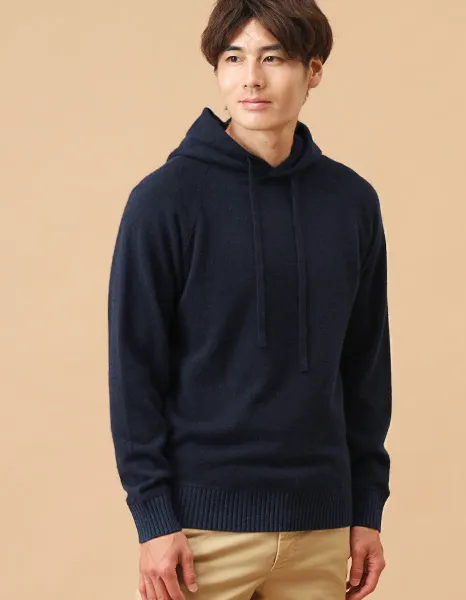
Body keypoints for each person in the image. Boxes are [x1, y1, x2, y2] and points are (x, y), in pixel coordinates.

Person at [107, 1, 392, 599]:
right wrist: (154, 519)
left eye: (274, 58)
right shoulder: (164, 202)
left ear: (314, 71)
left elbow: (366, 365)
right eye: (233, 58)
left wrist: (367, 508)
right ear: (217, 70)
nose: (251, 79)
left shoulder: (352, 203)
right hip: (200, 533)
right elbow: (134, 370)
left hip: (322, 527)